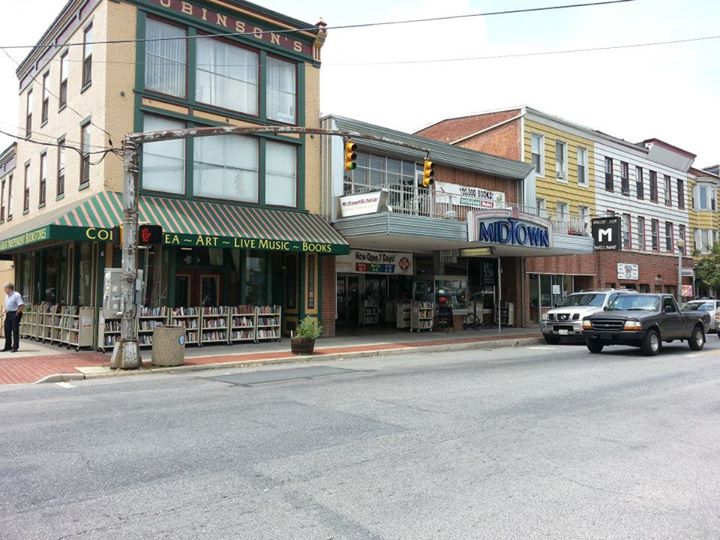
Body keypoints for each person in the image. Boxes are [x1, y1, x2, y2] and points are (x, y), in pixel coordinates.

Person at [3, 282, 24, 352]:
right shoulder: (7, 296)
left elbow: (21, 305)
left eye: (5, 289)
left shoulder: (16, 295)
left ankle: (15, 347)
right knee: (7, 329)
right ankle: (8, 346)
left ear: (9, 288)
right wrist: (5, 310)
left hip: (15, 313)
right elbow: (8, 305)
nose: (4, 290)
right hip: (9, 313)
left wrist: (17, 313)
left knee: (15, 330)